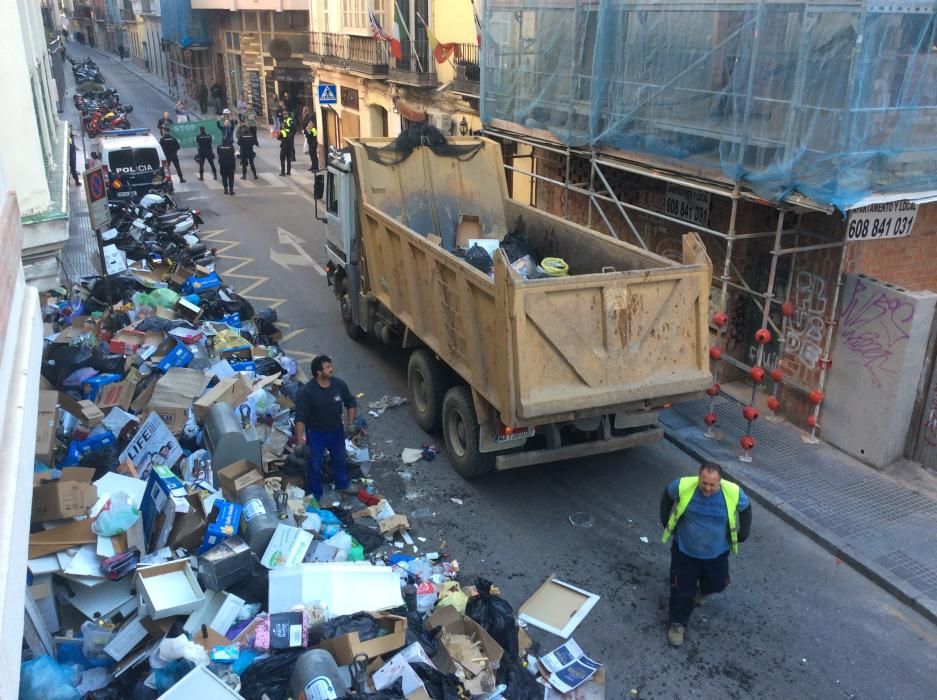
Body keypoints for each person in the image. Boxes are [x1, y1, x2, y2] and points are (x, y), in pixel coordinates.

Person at [660, 461, 752, 648]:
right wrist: (666, 521)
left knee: (717, 584)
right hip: (685, 552)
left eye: (712, 485)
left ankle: (702, 591)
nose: (707, 488)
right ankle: (677, 624)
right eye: (704, 483)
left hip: (717, 553)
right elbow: (667, 496)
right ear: (699, 478)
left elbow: (746, 509)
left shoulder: (733, 492)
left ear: (720, 482)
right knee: (681, 591)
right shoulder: (683, 486)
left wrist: (743, 534)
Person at [293, 355, 358, 500]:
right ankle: (314, 494)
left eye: (331, 366)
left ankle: (343, 484)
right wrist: (299, 441)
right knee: (315, 464)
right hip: (316, 433)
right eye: (327, 367)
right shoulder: (307, 392)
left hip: (336, 430)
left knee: (340, 459)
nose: (331, 369)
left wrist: (351, 423)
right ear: (318, 372)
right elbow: (300, 418)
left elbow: (350, 402)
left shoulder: (338, 384)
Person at [302, 107, 319, 172]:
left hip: (313, 143)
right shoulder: (310, 128)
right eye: (309, 123)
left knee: (314, 155)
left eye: (310, 124)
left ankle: (316, 167)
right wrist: (307, 130)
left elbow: (309, 134)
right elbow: (306, 134)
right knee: (311, 155)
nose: (309, 124)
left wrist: (308, 130)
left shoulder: (314, 129)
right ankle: (313, 166)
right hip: (310, 142)